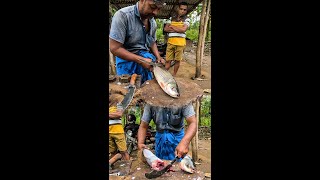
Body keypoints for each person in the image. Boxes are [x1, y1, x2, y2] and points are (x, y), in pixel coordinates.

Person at [109, 0, 166, 84]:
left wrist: (158, 57)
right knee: (128, 90)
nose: (155, 12)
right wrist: (141, 60)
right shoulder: (123, 16)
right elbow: (114, 48)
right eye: (153, 7)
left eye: (159, 9)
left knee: (146, 90)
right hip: (126, 64)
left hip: (146, 63)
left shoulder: (152, 22)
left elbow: (152, 42)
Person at [163, 2, 190, 76]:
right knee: (168, 60)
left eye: (185, 10)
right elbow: (165, 29)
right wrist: (179, 28)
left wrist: (172, 27)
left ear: (186, 11)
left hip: (180, 44)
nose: (183, 11)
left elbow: (183, 30)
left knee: (177, 61)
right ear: (178, 9)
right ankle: (165, 74)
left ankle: (174, 75)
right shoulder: (171, 18)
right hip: (170, 42)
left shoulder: (186, 19)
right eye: (181, 9)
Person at [109, 94, 130, 170]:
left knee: (124, 151)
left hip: (118, 131)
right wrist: (112, 115)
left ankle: (127, 168)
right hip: (109, 132)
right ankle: (112, 168)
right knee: (112, 152)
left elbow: (119, 114)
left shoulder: (118, 104)